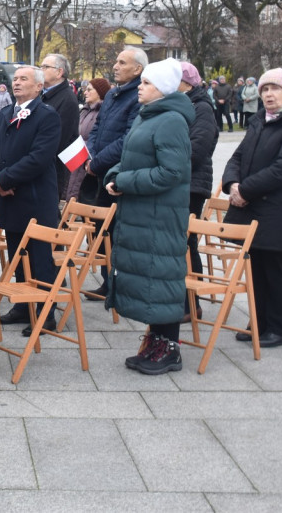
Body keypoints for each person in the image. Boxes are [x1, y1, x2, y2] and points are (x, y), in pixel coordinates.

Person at [103, 58, 193, 375]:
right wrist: (114, 175)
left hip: (161, 215)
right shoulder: (148, 116)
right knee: (152, 279)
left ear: (164, 89)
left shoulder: (171, 121)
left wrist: (125, 182)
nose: (139, 87)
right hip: (143, 212)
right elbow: (130, 156)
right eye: (141, 82)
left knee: (163, 277)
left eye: (146, 83)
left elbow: (171, 172)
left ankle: (170, 350)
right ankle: (155, 343)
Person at [223, 67, 282, 348]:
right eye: (264, 89)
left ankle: (278, 328)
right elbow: (237, 156)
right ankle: (259, 321)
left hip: (276, 208)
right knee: (256, 265)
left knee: (274, 266)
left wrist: (245, 190)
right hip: (250, 205)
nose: (268, 94)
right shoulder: (259, 121)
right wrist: (231, 184)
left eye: (274, 88)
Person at [0, 65, 62, 335]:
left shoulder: (46, 115)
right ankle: (23, 305)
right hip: (11, 198)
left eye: (24, 79)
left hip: (35, 198)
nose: (17, 83)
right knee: (17, 254)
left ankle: (46, 313)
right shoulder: (6, 113)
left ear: (38, 86)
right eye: (16, 79)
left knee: (40, 258)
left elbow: (39, 157)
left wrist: (5, 179)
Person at [81, 46, 147, 298]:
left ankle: (121, 285)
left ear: (137, 69)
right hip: (99, 171)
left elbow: (127, 139)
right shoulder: (112, 95)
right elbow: (97, 129)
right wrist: (90, 155)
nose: (115, 66)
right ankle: (109, 281)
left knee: (118, 232)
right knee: (103, 231)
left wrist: (97, 161)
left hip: (117, 174)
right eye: (116, 62)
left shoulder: (136, 97)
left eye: (122, 62)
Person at [177, 61, 218, 320]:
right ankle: (179, 297)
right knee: (179, 242)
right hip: (180, 180)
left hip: (192, 183)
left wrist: (168, 161)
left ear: (187, 83)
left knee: (187, 241)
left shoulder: (201, 107)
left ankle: (192, 302)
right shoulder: (180, 103)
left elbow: (198, 147)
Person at [40, 54, 80, 202]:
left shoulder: (67, 99)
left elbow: (59, 138)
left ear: (59, 72)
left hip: (52, 170)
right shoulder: (44, 95)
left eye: (45, 67)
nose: (41, 70)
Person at [65, 77, 109, 201]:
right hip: (75, 157)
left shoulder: (102, 112)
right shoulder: (84, 110)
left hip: (87, 160)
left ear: (100, 92)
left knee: (79, 195)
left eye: (89, 90)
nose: (85, 92)